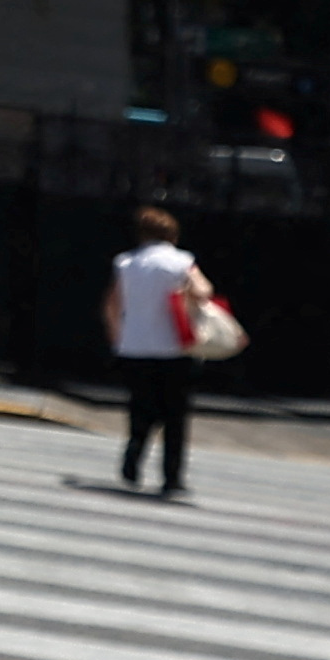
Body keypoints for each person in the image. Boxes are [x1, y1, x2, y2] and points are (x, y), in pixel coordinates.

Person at [106, 203, 218, 497]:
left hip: (134, 346)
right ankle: (171, 476)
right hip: (173, 348)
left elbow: (112, 306)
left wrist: (118, 339)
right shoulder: (182, 262)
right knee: (175, 416)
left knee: (140, 407)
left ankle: (133, 455)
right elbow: (204, 290)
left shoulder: (126, 262)